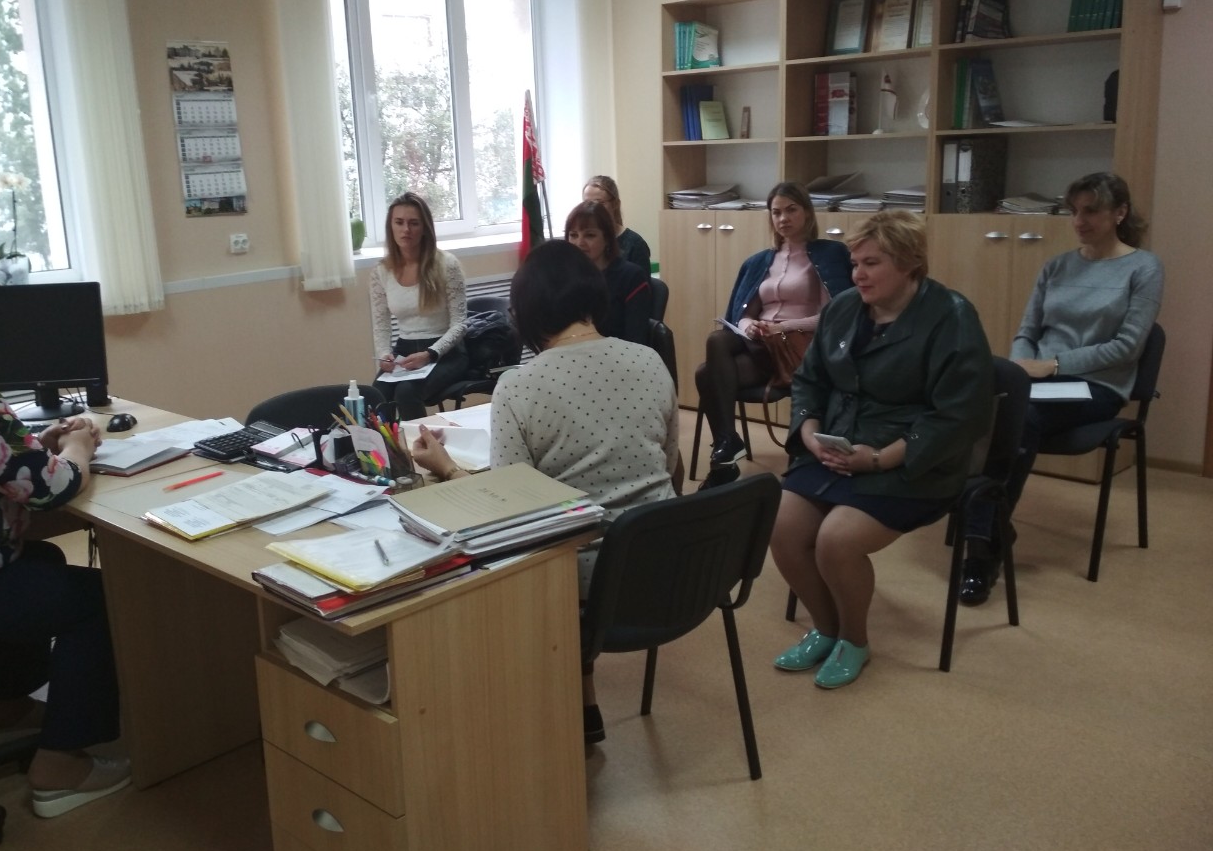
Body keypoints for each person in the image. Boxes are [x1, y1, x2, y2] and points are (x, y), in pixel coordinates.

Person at [411, 240, 679, 743]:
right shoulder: (650, 361)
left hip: (586, 576)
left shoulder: (519, 386)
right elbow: (668, 463)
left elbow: (508, 508)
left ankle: (545, 706)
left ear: (527, 313)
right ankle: (584, 700)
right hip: (666, 561)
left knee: (520, 552)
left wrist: (446, 468)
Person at [0, 254, 129, 817]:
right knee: (93, 599)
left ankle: (4, 708)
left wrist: (33, 446)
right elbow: (51, 490)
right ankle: (59, 766)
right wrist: (79, 445)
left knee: (40, 559)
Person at [769, 212, 991, 689]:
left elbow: (956, 415)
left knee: (837, 541)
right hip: (838, 448)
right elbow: (809, 380)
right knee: (781, 528)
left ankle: (854, 639)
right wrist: (809, 432)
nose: (858, 275)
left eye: (871, 264)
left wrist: (879, 458)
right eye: (855, 263)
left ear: (909, 263)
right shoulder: (844, 308)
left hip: (914, 461)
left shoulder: (951, 316)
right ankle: (826, 628)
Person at [960, 172, 1164, 605]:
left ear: (1120, 213)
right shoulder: (1056, 266)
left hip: (1097, 385)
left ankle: (979, 549)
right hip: (1037, 378)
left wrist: (1053, 365)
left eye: (1091, 211)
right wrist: (1020, 368)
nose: (1078, 221)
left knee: (1021, 417)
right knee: (983, 405)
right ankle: (992, 527)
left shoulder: (1144, 268)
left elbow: (1127, 347)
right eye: (1074, 211)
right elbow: (1027, 331)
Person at [694, 181, 853, 473]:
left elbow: (832, 317)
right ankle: (728, 440)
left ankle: (727, 450)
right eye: (776, 212)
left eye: (791, 210)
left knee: (706, 374)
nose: (783, 218)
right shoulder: (759, 261)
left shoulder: (828, 254)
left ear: (807, 212)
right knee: (717, 341)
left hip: (800, 349)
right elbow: (742, 315)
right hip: (762, 346)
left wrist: (784, 327)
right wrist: (750, 325)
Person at [369, 192, 471, 421]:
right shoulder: (381, 271)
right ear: (391, 227)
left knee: (406, 392)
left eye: (414, 223)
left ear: (424, 228)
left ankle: (420, 443)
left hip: (446, 352)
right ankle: (386, 444)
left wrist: (430, 354)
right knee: (376, 395)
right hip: (404, 350)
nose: (406, 230)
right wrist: (384, 355)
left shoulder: (447, 264)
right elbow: (381, 325)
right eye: (399, 222)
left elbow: (460, 324)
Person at [564, 200, 653, 345]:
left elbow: (636, 341)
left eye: (589, 235)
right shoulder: (565, 276)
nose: (580, 243)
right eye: (573, 235)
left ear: (607, 239)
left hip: (618, 355)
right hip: (572, 354)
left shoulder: (631, 277)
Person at [583, 174, 651, 273]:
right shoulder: (582, 242)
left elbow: (641, 280)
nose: (592, 209)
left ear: (615, 204)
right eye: (587, 204)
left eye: (599, 203)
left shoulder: (634, 244)